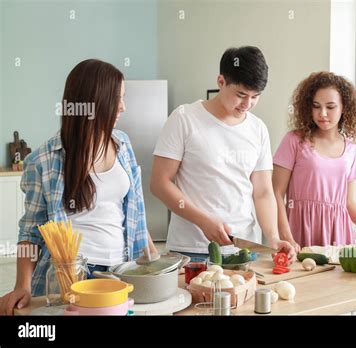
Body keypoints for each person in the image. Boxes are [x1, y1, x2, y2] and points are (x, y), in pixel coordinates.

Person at [0, 59, 157, 315]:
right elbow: (30, 232)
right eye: (116, 99)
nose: (123, 107)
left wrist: (153, 263)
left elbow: (135, 211)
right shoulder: (43, 160)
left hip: (123, 270)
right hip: (74, 279)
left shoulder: (123, 144)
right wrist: (22, 285)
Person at [150, 46, 295, 260]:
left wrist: (273, 237)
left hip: (244, 249)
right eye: (241, 95)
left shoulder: (258, 128)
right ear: (221, 82)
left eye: (255, 97)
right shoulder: (184, 119)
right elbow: (159, 183)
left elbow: (263, 192)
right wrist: (203, 221)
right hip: (192, 249)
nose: (248, 104)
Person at [272, 71, 356, 251]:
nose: (322, 113)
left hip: (339, 236)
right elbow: (276, 192)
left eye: (330, 107)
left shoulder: (351, 149)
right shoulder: (294, 140)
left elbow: (348, 204)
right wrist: (287, 237)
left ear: (344, 107)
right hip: (299, 234)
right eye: (316, 106)